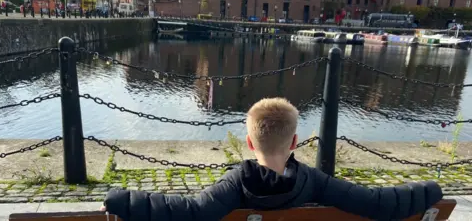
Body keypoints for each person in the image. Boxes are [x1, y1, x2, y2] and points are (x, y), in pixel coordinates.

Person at [101, 97, 443, 221]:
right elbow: (376, 203)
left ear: (249, 142)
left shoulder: (237, 183)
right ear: (295, 141)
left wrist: (120, 199)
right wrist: (430, 191)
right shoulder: (314, 182)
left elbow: (190, 212)